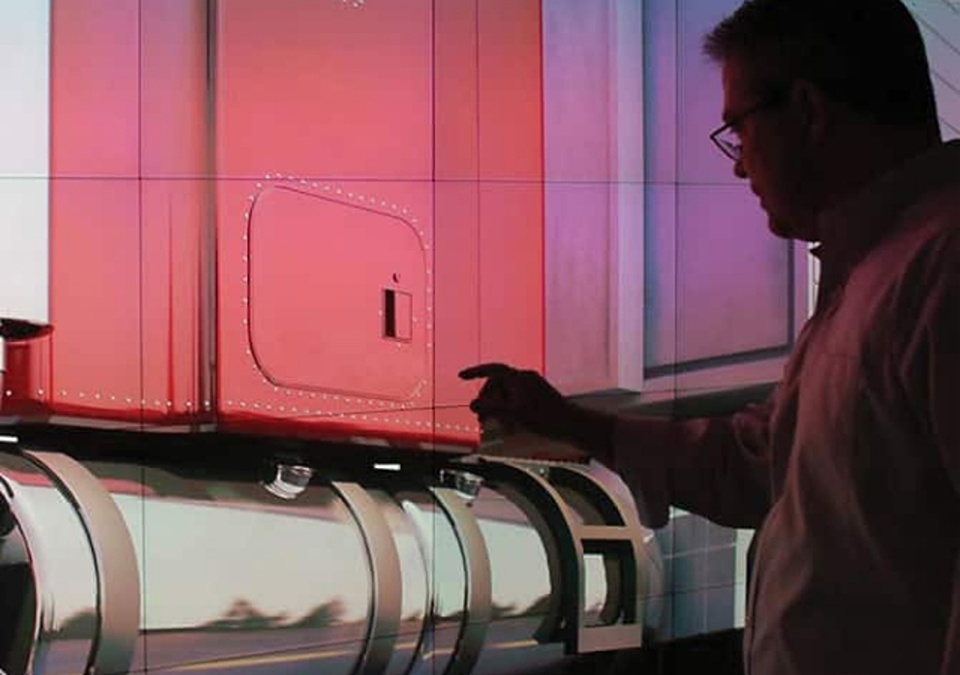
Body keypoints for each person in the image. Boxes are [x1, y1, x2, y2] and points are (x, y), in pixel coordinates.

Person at [460, 1, 960, 674]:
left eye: (738, 130)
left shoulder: (937, 269)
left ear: (808, 111)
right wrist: (569, 420)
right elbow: (759, 462)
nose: (737, 166)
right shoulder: (876, 277)